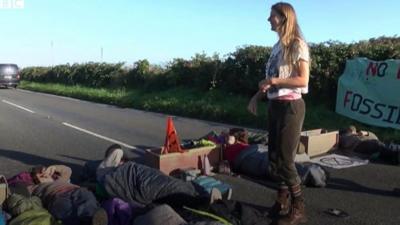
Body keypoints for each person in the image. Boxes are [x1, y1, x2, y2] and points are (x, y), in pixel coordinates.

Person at [247, 2, 310, 225]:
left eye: (271, 16)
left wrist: (275, 80)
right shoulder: (277, 48)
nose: (268, 20)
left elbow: (302, 80)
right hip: (275, 105)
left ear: (284, 18)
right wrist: (256, 96)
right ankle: (281, 202)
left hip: (291, 107)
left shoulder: (297, 45)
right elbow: (270, 82)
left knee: (285, 160)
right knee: (274, 160)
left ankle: (298, 206)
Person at [96, 145, 223, 209]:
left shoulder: (109, 173)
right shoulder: (104, 173)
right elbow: (117, 152)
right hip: (132, 181)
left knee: (168, 187)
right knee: (170, 187)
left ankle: (199, 199)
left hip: (140, 182)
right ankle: (199, 199)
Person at [28, 165, 107, 225]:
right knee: (67, 211)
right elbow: (24, 191)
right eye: (40, 177)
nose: (43, 177)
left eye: (45, 174)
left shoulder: (59, 179)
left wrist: (54, 167)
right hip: (56, 197)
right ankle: (86, 220)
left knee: (88, 198)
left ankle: (93, 216)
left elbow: (68, 170)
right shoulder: (36, 188)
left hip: (75, 190)